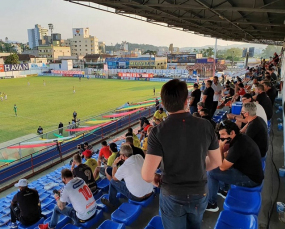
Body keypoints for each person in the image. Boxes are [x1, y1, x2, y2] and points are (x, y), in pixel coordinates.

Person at [141, 79, 221, 229]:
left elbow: (146, 175)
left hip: (172, 195)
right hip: (199, 192)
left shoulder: (158, 132)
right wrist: (196, 168)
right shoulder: (205, 125)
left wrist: (155, 179)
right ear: (186, 100)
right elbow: (216, 161)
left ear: (163, 104)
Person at [206, 120, 264, 212]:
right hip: (250, 173)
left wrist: (220, 146)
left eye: (223, 134)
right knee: (222, 164)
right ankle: (224, 190)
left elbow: (222, 167)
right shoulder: (241, 138)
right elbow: (227, 156)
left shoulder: (238, 145)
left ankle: (212, 203)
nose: (221, 137)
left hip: (251, 180)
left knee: (211, 172)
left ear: (232, 132)